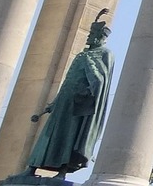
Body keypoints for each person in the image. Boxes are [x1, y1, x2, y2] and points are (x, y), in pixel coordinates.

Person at [26, 11, 114, 176]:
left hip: (79, 105)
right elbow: (68, 81)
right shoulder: (83, 54)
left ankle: (63, 171)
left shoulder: (104, 54)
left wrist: (91, 66)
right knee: (47, 136)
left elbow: (100, 81)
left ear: (100, 37)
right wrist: (55, 102)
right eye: (89, 34)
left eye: (93, 34)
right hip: (64, 102)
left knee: (69, 138)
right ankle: (31, 168)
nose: (89, 37)